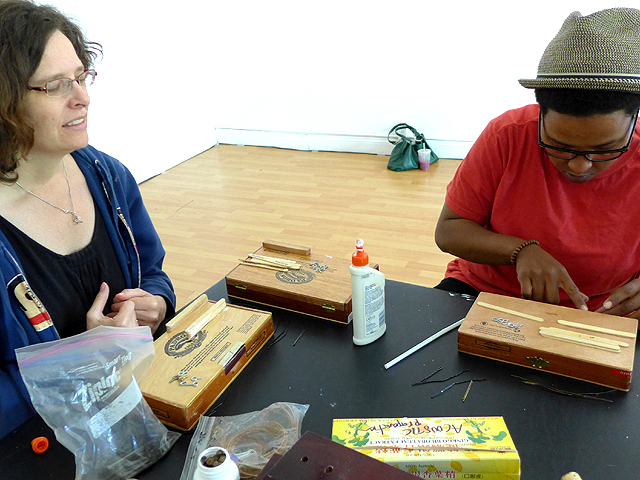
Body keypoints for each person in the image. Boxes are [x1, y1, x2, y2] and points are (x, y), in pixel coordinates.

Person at [0, 0, 176, 438]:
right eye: (56, 85)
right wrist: (86, 363)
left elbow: (152, 272)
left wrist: (157, 304)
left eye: (81, 76)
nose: (83, 97)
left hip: (139, 410)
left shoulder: (107, 175)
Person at [434, 8, 640, 320]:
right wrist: (518, 250)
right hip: (487, 292)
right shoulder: (507, 135)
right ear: (540, 112)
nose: (579, 167)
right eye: (559, 146)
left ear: (634, 117)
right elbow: (449, 230)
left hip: (605, 310)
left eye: (605, 149)